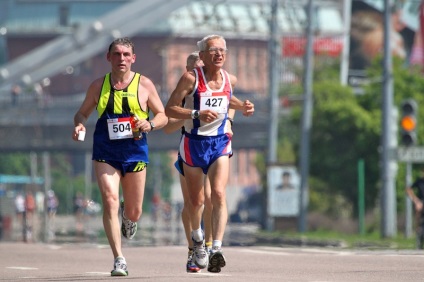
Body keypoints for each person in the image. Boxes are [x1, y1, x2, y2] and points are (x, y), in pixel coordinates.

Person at [72, 37, 167, 276]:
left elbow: (163, 115)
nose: (121, 59)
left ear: (133, 58)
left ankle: (129, 217)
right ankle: (119, 258)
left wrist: (150, 124)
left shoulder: (144, 84)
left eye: (126, 54)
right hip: (106, 151)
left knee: (134, 211)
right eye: (117, 54)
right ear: (109, 58)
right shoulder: (98, 86)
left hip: (135, 151)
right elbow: (81, 113)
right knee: (110, 200)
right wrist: (80, 125)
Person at [165, 35, 254, 273]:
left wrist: (244, 107)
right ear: (202, 56)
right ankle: (196, 242)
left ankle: (216, 248)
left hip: (219, 143)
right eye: (213, 50)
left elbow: (227, 99)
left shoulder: (229, 79)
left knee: (218, 194)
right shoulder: (190, 79)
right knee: (196, 202)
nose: (219, 54)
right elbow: (168, 109)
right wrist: (196, 114)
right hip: (193, 143)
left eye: (222, 50)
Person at [406, 167, 424, 249]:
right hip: (421, 203)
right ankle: (418, 230)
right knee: (418, 209)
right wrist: (416, 200)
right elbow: (408, 189)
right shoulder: (419, 181)